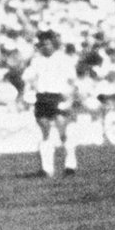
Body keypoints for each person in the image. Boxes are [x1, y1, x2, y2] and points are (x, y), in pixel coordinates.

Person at [19, 30, 79, 178]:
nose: (45, 47)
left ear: (54, 44)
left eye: (48, 44)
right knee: (45, 131)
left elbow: (72, 81)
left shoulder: (63, 59)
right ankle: (47, 169)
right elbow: (26, 77)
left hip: (58, 97)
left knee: (62, 130)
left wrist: (69, 98)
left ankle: (70, 164)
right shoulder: (36, 61)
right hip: (42, 98)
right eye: (43, 44)